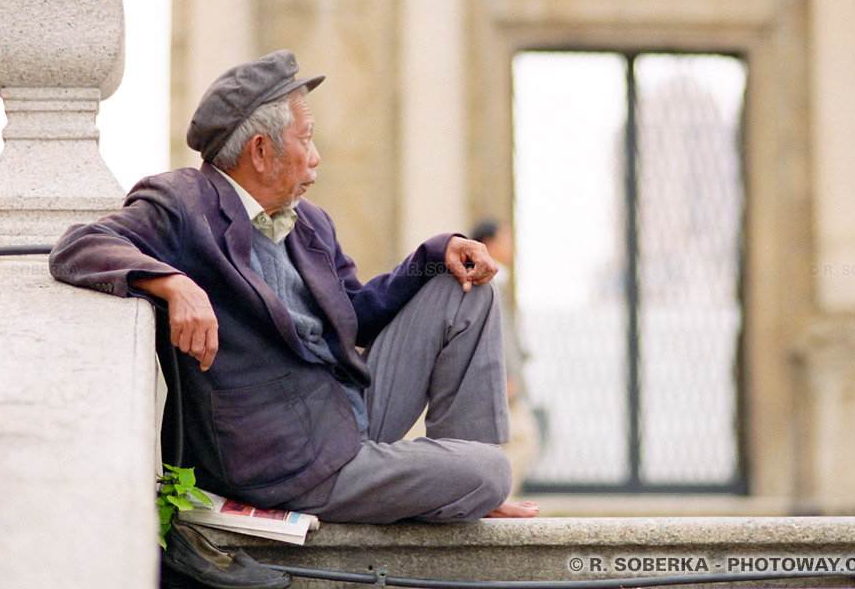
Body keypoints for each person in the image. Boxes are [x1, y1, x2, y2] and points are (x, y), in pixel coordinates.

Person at [49, 50, 538, 523]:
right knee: (492, 470)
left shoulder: (310, 223)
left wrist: (433, 256)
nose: (316, 157)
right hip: (283, 464)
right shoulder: (182, 202)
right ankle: (469, 483)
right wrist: (173, 283)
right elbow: (80, 245)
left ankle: (464, 486)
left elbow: (356, 312)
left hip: (347, 416)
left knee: (466, 288)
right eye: (306, 138)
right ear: (261, 151)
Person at [470, 220, 541, 496]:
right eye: (505, 239)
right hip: (501, 385)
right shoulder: (486, 287)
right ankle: (493, 497)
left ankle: (495, 498)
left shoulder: (498, 283)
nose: (511, 247)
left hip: (504, 383)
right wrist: (506, 377)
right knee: (523, 440)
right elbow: (494, 338)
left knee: (514, 443)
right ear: (488, 243)